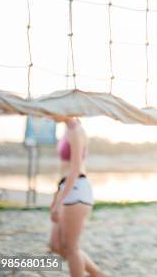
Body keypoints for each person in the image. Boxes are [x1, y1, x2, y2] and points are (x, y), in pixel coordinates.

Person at [48, 118, 104, 277]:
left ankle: (96, 274)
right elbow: (63, 171)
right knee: (56, 245)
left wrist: (59, 203)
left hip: (76, 188)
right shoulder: (67, 129)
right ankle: (97, 274)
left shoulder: (76, 131)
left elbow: (75, 169)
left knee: (71, 248)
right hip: (66, 187)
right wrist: (56, 197)